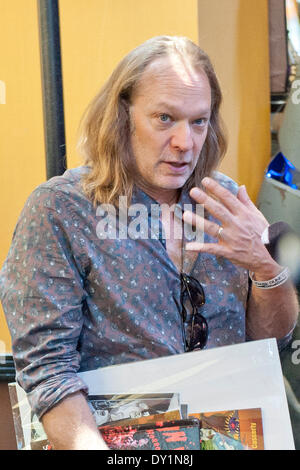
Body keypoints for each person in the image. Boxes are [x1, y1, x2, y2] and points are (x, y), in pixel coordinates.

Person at [0, 36, 298, 450]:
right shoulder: (61, 210)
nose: (185, 142)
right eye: (164, 118)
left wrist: (267, 271)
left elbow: (272, 343)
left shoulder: (226, 203)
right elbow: (50, 373)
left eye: (199, 121)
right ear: (121, 117)